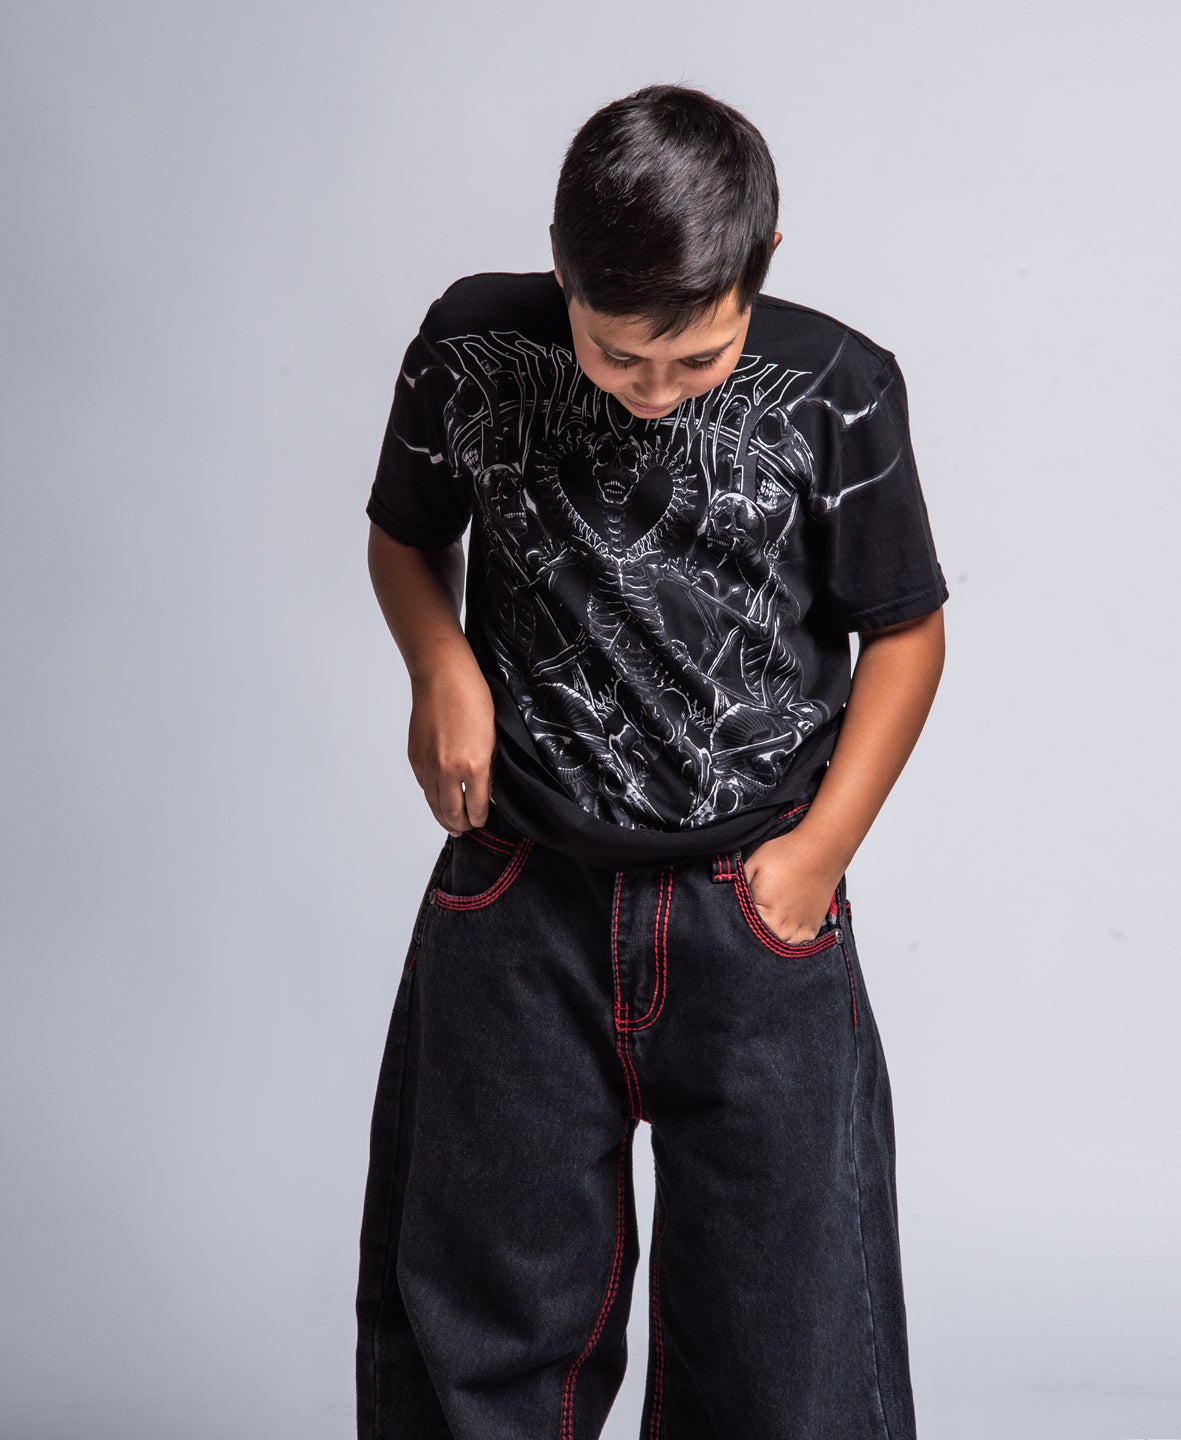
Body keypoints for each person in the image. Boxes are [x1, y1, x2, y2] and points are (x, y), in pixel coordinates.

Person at [356, 84, 947, 1440]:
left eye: (697, 360)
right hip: (521, 895)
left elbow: (908, 634)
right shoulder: (469, 347)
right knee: (479, 1335)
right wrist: (440, 665)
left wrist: (815, 860)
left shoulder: (841, 389)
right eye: (620, 357)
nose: (654, 393)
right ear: (560, 266)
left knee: (786, 1344)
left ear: (762, 267)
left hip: (752, 910)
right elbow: (404, 536)